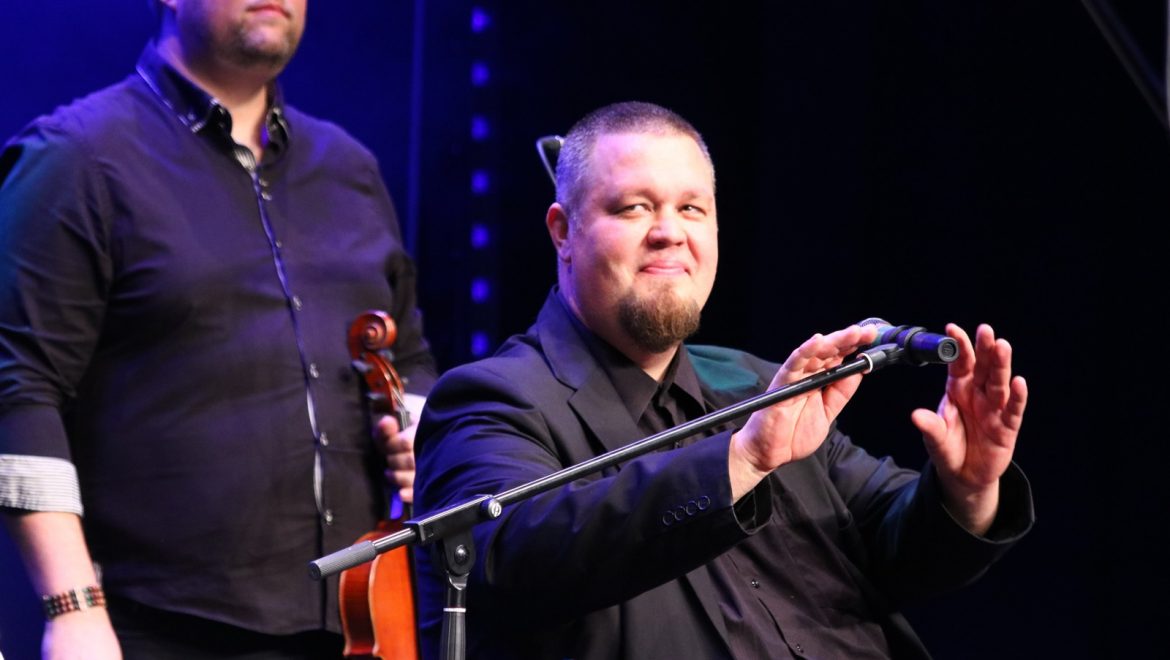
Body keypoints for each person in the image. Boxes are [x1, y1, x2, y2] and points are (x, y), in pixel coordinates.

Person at [411, 100, 1033, 659]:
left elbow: (898, 545)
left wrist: (967, 488)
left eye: (691, 208)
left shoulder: (757, 384)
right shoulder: (491, 401)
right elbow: (514, 557)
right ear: (563, 231)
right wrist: (741, 461)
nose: (670, 232)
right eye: (634, 207)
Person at [0, 1, 436, 657]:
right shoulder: (76, 157)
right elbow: (19, 388)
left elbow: (410, 354)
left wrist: (417, 426)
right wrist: (72, 608)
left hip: (352, 623)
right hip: (153, 625)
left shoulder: (349, 168)